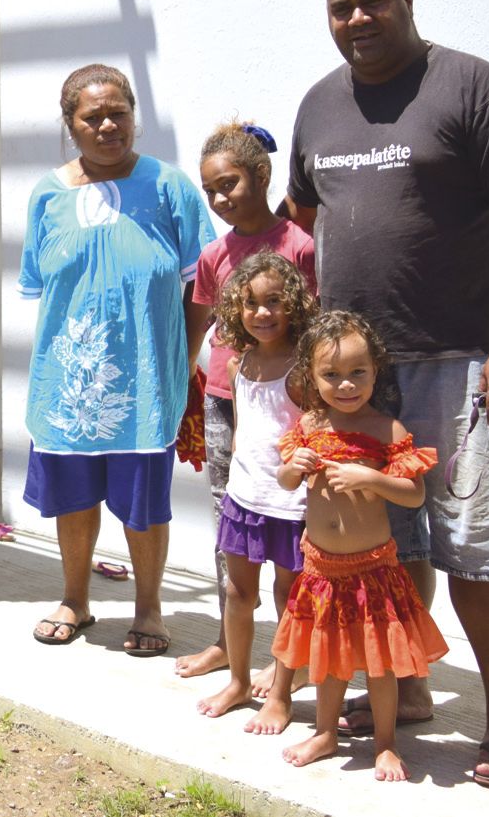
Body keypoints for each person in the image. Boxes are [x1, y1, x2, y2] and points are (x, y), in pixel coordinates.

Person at [285, 0, 489, 790]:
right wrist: (300, 357)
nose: (357, 20)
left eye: (372, 2)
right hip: (357, 374)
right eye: (340, 9)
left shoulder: (472, 86)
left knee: (476, 542)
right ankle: (403, 685)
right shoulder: (318, 104)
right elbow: (304, 225)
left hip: (460, 359)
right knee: (384, 540)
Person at [19, 64, 214, 656]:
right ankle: (76, 599)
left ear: (133, 115)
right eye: (92, 116)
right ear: (70, 124)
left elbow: (202, 285)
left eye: (118, 114)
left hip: (148, 377)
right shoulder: (48, 195)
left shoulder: (168, 186)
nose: (108, 125)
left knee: (143, 502)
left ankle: (149, 608)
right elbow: (44, 286)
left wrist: (184, 356)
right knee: (74, 498)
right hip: (68, 380)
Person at [272, 311, 448, 783]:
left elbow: (414, 494)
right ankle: (325, 732)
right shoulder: (309, 425)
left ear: (375, 371)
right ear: (312, 375)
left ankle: (386, 745)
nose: (345, 385)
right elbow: (285, 479)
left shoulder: (385, 429)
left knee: (379, 663)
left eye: (357, 373)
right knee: (328, 661)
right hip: (322, 570)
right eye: (331, 375)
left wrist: (371, 477)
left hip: (372, 569)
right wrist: (295, 466)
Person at [173, 122, 317, 683]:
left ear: (262, 177)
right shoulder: (214, 254)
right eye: (210, 190)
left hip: (287, 407)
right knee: (229, 522)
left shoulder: (299, 247)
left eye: (228, 184)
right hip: (225, 403)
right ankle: (227, 643)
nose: (218, 198)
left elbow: (314, 326)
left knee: (290, 528)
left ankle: (292, 656)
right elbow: (201, 319)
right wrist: (188, 373)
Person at [196, 251, 314, 733]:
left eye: (273, 301)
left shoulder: (303, 367)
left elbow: (309, 435)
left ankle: (283, 692)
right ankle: (239, 680)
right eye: (250, 303)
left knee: (290, 599)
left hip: (291, 505)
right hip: (245, 501)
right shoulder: (241, 362)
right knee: (238, 592)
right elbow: (245, 431)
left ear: (294, 305)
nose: (262, 313)